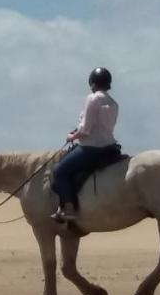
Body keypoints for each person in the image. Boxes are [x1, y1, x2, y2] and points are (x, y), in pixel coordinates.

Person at [51, 68, 120, 223]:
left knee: (59, 170)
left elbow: (86, 130)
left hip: (91, 149)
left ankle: (68, 208)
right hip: (110, 148)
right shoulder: (114, 103)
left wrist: (71, 136)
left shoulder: (92, 98)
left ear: (93, 83)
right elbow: (102, 126)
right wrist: (79, 130)